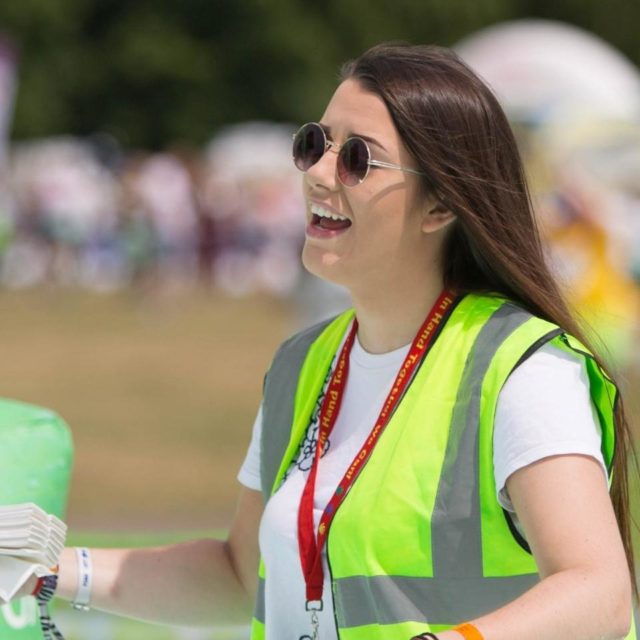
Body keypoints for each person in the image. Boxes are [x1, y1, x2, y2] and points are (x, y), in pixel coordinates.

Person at [18, 43, 637, 640]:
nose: (316, 173)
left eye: (357, 159)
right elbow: (239, 575)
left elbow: (598, 591)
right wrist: (46, 569)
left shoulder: (521, 368)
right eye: (314, 145)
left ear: (441, 204)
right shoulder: (301, 364)